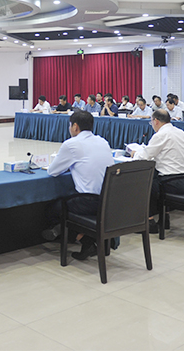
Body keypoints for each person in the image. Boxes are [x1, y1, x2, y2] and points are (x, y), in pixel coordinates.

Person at [42, 110, 114, 260]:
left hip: (90, 202)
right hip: (109, 200)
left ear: (75, 126)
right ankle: (86, 241)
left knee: (53, 210)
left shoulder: (72, 144)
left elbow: (52, 171)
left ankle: (85, 240)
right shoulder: (103, 141)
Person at [132, 109, 184, 233]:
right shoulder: (180, 132)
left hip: (173, 184)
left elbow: (144, 156)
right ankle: (164, 218)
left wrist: (134, 153)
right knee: (158, 174)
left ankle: (149, 222)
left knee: (144, 181)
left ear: (156, 121)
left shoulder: (160, 135)